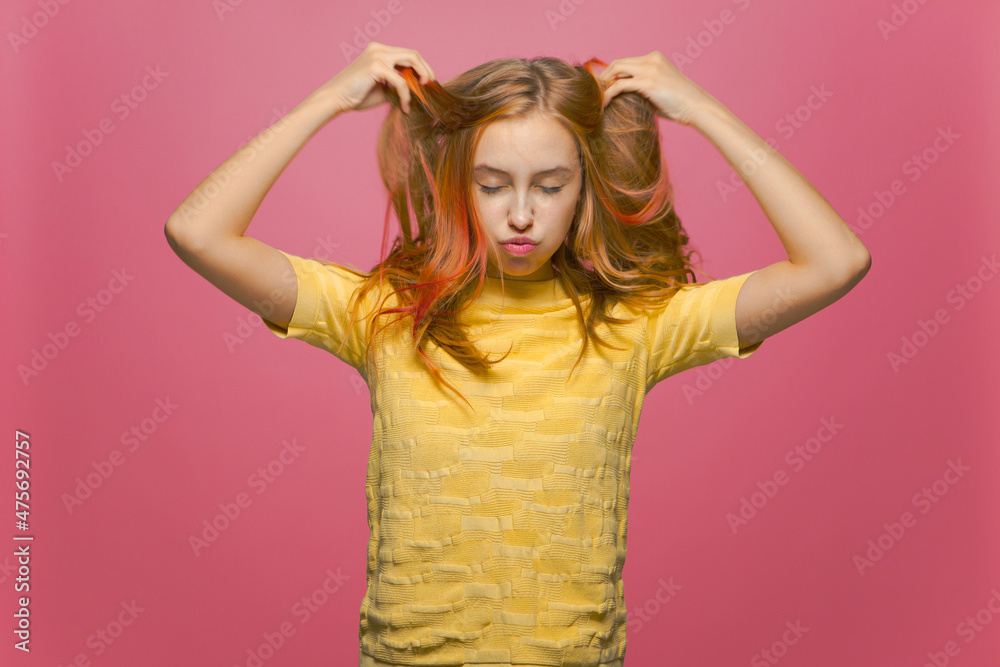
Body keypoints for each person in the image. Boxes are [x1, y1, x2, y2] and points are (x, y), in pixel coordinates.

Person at [165, 42, 870, 667]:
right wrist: (327, 101)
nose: (523, 213)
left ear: (585, 187)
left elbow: (835, 261)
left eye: (551, 185)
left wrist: (702, 110)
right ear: (457, 183)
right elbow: (198, 231)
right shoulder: (382, 315)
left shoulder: (637, 324)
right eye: (493, 184)